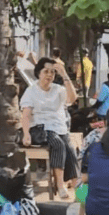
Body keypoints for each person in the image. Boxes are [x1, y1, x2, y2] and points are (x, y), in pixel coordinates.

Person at [21, 57, 79, 199]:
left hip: (59, 127)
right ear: (38, 73)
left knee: (70, 149)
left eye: (52, 72)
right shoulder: (31, 91)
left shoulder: (58, 89)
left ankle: (77, 187)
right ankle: (60, 185)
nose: (49, 75)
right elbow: (26, 115)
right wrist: (26, 133)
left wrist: (64, 74)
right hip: (40, 128)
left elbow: (72, 98)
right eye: (46, 71)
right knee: (58, 144)